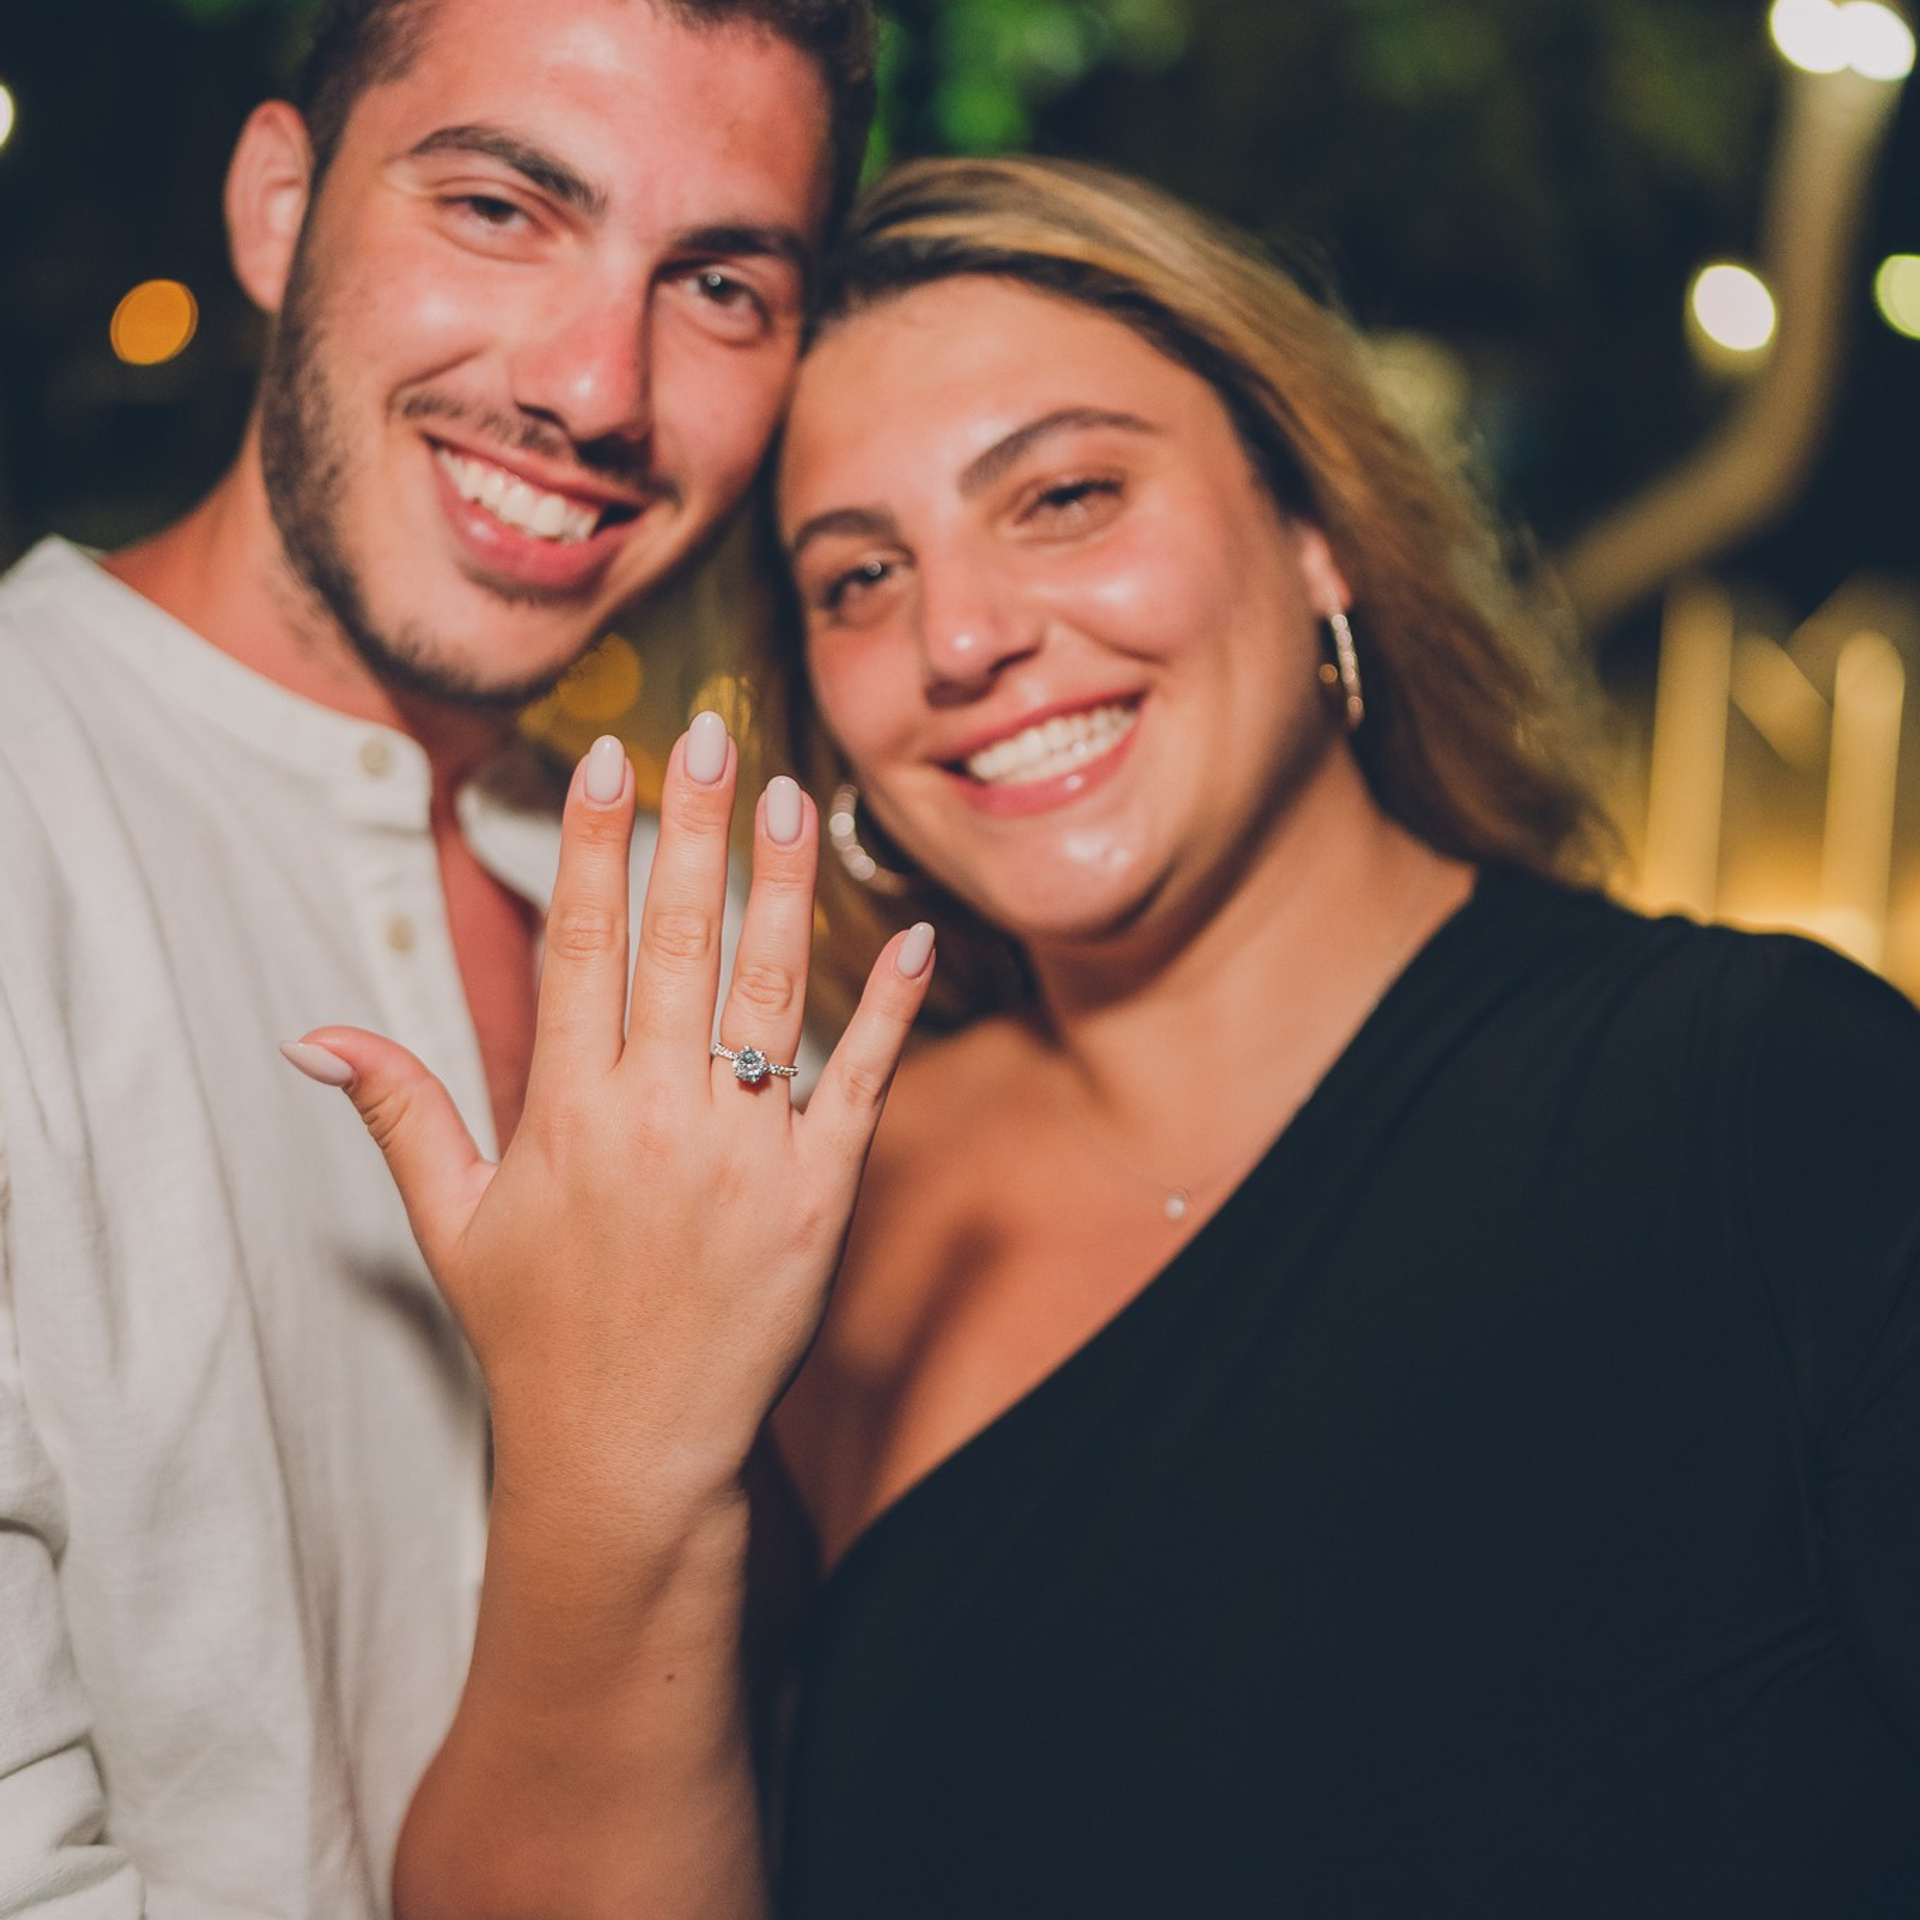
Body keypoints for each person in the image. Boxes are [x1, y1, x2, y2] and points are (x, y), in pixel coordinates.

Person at [302, 156, 1920, 1917]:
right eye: (856, 579)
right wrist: (604, 1461)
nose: (963, 636)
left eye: (1064, 495)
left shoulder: (1779, 1100)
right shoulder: (803, 1214)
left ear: (1319, 538)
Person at [0, 0, 875, 1907]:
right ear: (277, 204)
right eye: (500, 207)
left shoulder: (718, 934)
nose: (595, 385)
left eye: (718, 283)